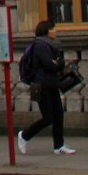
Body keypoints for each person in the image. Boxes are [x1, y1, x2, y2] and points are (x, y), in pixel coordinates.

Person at [17, 19, 74, 155]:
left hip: (52, 84)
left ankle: (59, 146)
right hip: (42, 86)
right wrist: (58, 63)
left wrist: (57, 63)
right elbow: (50, 65)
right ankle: (24, 135)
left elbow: (57, 63)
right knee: (48, 118)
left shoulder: (53, 45)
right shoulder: (40, 45)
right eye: (53, 28)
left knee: (59, 116)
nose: (55, 31)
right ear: (46, 31)